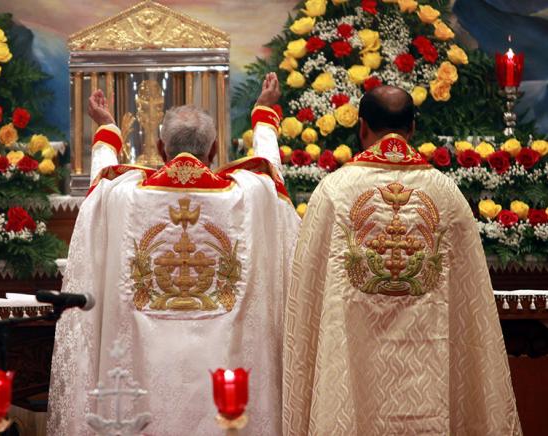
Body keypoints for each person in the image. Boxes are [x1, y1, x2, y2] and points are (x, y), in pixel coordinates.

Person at [47, 73, 300, 435]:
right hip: (223, 366)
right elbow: (271, 174)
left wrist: (106, 130)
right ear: (214, 149)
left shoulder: (124, 195)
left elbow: (100, 184)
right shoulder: (248, 194)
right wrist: (264, 115)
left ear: (160, 147)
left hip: (144, 367)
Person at [282, 86, 521, 435]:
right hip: (430, 384)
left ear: (362, 127)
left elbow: (306, 301)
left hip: (350, 381)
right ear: (412, 128)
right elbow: (472, 311)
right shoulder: (446, 194)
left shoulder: (333, 193)